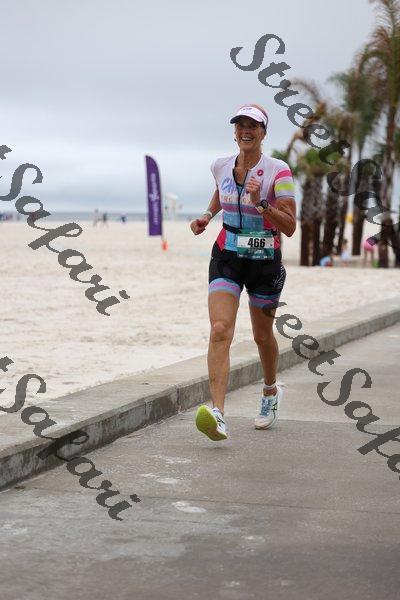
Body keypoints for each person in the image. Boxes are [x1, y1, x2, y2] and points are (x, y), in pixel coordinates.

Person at [190, 104, 296, 441]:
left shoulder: (278, 171)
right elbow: (220, 192)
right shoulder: (220, 165)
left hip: (265, 260)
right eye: (240, 125)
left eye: (253, 125)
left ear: (264, 132)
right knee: (220, 329)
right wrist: (207, 216)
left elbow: (290, 226)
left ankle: (270, 391)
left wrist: (262, 203)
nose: (246, 130)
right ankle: (218, 414)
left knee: (262, 337)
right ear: (234, 132)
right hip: (227, 255)